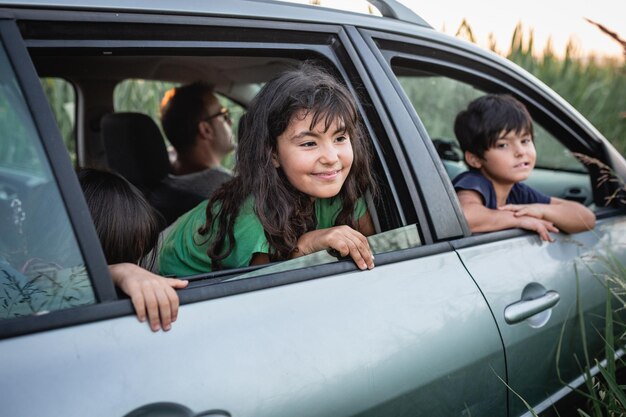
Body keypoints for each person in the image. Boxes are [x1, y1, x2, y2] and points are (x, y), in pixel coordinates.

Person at [158, 63, 377, 276]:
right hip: (167, 282)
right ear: (273, 154)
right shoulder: (251, 217)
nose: (331, 158)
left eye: (340, 138)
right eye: (309, 143)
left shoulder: (340, 192)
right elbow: (269, 287)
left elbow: (374, 249)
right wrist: (306, 244)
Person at [452, 94, 596, 241]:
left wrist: (541, 210)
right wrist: (517, 219)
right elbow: (463, 217)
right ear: (475, 159)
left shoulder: (517, 192)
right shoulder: (473, 183)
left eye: (525, 140)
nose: (520, 151)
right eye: (503, 145)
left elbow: (587, 219)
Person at [77, 168, 188, 331]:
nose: (137, 268)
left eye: (137, 259)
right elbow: (36, 285)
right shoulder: (38, 281)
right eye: (125, 258)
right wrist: (115, 272)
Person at [160, 81, 234, 198]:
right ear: (206, 130)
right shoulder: (227, 188)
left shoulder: (164, 179)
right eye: (223, 115)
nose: (231, 122)